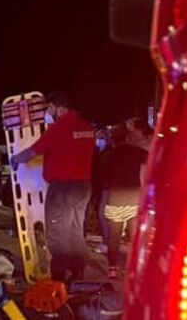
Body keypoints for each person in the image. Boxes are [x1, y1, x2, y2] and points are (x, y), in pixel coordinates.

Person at [12, 91, 95, 283]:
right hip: (83, 187)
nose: (48, 113)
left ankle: (58, 278)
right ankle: (78, 272)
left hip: (62, 188)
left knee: (57, 233)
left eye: (49, 108)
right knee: (75, 229)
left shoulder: (59, 128)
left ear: (61, 108)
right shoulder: (87, 128)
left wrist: (15, 159)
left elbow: (33, 151)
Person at [98, 125, 147, 279]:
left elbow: (102, 177)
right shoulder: (136, 151)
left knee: (114, 237)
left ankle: (112, 268)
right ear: (127, 138)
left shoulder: (109, 155)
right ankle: (132, 268)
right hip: (134, 198)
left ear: (112, 140)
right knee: (133, 237)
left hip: (115, 198)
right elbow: (153, 158)